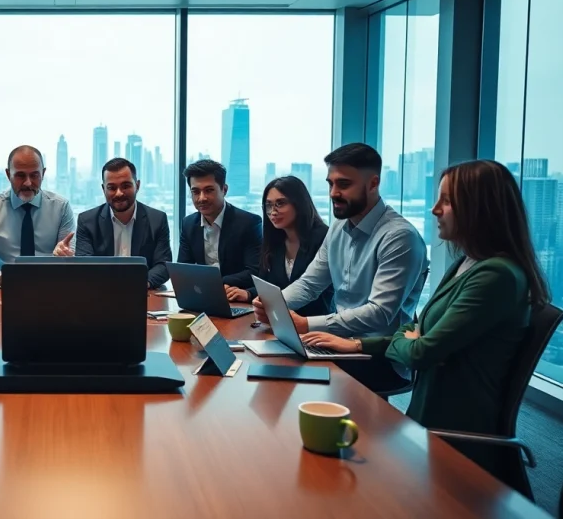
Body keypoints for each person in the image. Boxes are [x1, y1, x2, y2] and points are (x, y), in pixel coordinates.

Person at [301, 160, 548, 470]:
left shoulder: (496, 276)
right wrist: (357, 345)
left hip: (453, 439)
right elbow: (417, 329)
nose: (434, 210)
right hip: (424, 425)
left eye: (446, 201)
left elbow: (422, 350)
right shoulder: (467, 264)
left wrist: (412, 339)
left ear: (478, 208)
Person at [252, 143, 428, 391]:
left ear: (373, 184)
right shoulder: (338, 228)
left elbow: (380, 313)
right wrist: (275, 305)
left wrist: (306, 324)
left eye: (344, 184)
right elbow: (310, 283)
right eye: (330, 184)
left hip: (379, 355)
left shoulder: (399, 237)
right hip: (334, 342)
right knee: (266, 367)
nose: (334, 193)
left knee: (286, 378)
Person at [225, 176, 333, 316]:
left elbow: (312, 290)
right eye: (269, 205)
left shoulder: (323, 237)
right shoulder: (275, 240)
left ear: (299, 204)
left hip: (315, 323)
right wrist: (247, 294)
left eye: (280, 203)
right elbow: (269, 285)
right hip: (278, 319)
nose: (273, 211)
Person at [57, 158, 171, 289]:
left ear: (137, 186)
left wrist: (140, 283)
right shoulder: (87, 221)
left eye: (126, 186)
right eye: (112, 187)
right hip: (102, 293)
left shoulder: (157, 219)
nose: (119, 193)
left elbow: (163, 265)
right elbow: (86, 265)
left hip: (144, 293)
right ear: (103, 189)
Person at [0, 145, 74, 287]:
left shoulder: (61, 207)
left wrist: (66, 256)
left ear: (43, 174)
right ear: (8, 175)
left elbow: (69, 257)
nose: (27, 183)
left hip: (50, 286)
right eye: (20, 175)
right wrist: (4, 279)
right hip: (6, 288)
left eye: (34, 175)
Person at [177, 159, 262, 288]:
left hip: (237, 297)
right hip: (203, 295)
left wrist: (213, 282)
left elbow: (255, 271)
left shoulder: (249, 223)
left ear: (224, 189)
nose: (201, 198)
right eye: (195, 192)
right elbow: (182, 269)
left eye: (209, 190)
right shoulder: (188, 224)